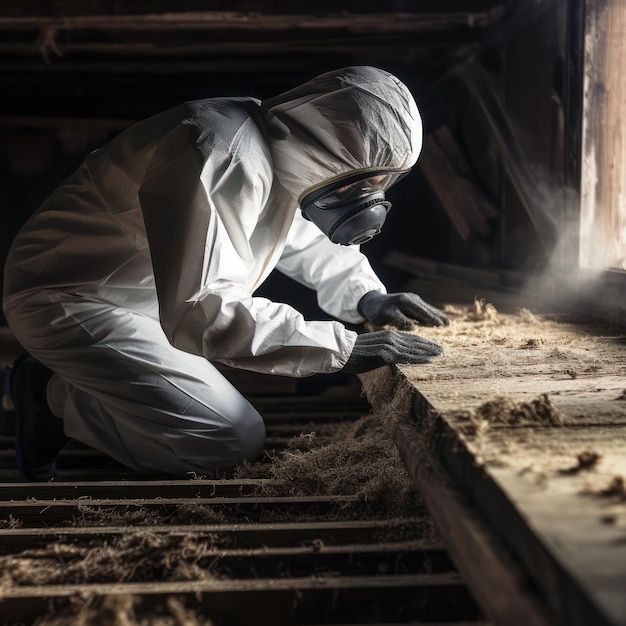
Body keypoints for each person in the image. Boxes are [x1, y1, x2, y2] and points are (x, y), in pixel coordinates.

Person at [2, 66, 448, 482]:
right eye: (357, 182)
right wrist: (342, 347)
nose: (365, 198)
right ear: (320, 141)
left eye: (377, 184)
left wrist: (367, 296)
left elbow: (299, 236)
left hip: (145, 302)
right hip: (69, 297)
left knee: (225, 427)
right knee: (227, 442)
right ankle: (52, 398)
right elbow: (201, 309)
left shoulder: (283, 150)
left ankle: (64, 394)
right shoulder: (220, 153)